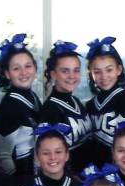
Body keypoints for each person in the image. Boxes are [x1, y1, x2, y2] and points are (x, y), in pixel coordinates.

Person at [39, 40, 92, 173]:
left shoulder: (76, 101)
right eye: (65, 71)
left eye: (76, 70)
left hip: (87, 176)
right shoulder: (50, 110)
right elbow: (52, 158)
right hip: (71, 181)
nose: (72, 76)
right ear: (53, 74)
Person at [0, 33, 42, 180]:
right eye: (16, 68)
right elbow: (3, 155)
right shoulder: (9, 106)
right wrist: (19, 185)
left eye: (28, 66)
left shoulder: (33, 97)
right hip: (22, 181)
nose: (24, 72)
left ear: (35, 68)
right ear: (7, 74)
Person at [85, 36, 125, 167]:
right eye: (97, 72)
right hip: (96, 168)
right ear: (91, 74)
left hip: (121, 166)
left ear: (119, 70)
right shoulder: (90, 104)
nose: (104, 77)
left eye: (109, 70)